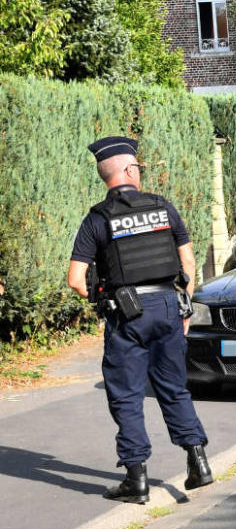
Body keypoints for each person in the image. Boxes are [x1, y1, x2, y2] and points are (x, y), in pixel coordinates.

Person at [67, 136, 212, 504]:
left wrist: (104, 303)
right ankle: (198, 462)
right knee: (174, 388)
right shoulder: (163, 208)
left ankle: (137, 479)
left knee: (127, 396)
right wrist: (185, 308)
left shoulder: (97, 219)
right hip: (168, 306)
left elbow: (75, 279)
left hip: (126, 314)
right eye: (140, 167)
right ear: (130, 170)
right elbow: (189, 264)